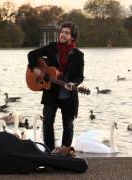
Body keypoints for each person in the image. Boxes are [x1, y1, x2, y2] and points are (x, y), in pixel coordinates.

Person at [27, 22, 84, 155]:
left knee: (68, 126)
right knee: (47, 123)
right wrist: (34, 68)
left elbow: (79, 77)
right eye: (62, 32)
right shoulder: (52, 48)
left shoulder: (78, 55)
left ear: (73, 37)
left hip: (68, 95)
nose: (62, 35)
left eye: (66, 33)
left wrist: (73, 84)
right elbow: (31, 54)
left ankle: (64, 151)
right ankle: (49, 151)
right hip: (50, 92)